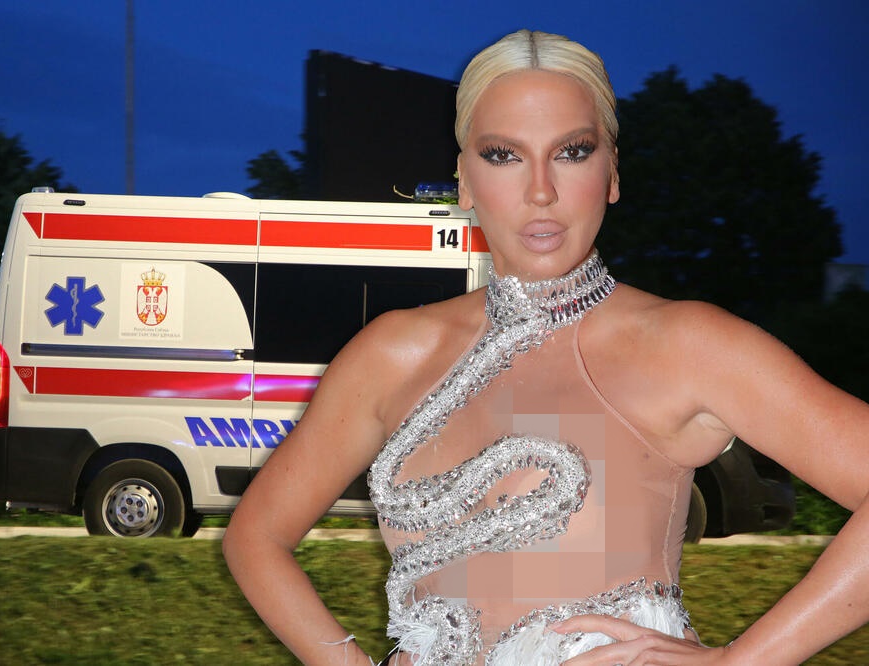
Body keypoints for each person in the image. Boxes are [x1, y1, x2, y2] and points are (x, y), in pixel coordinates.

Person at [222, 29, 869, 665]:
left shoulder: (685, 345)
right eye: (504, 155)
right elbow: (256, 536)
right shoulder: (391, 353)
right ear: (464, 180)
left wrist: (741, 660)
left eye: (572, 152)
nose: (540, 190)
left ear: (612, 173)